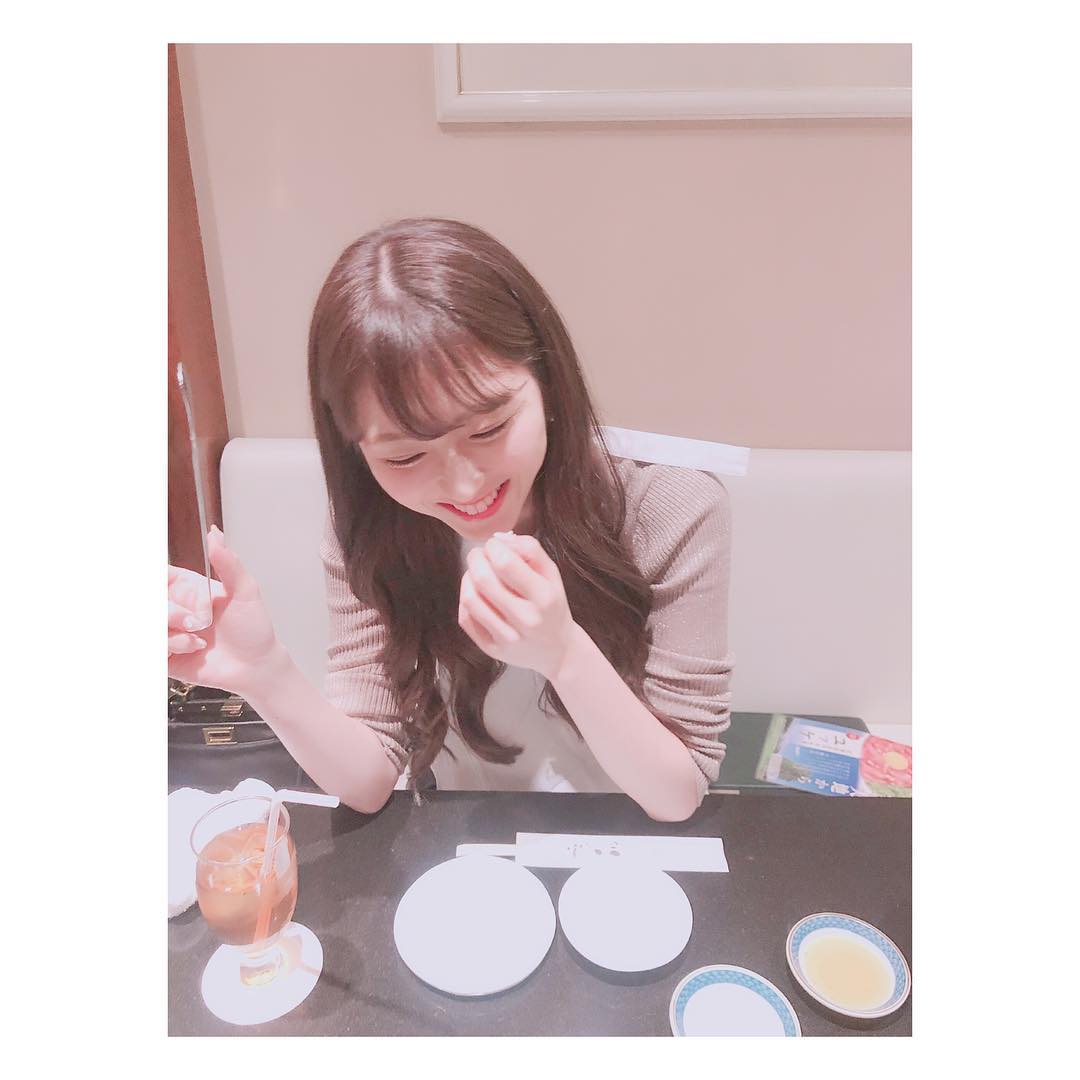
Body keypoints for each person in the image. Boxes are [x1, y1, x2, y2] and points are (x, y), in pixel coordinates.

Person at [169, 217, 732, 821]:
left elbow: (678, 793)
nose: (465, 487)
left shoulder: (668, 507)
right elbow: (369, 780)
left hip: (626, 830)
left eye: (488, 429)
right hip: (462, 830)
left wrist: (565, 653)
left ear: (547, 382)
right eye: (405, 456)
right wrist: (265, 674)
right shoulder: (375, 527)